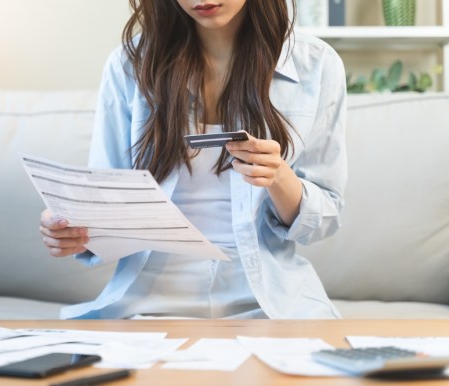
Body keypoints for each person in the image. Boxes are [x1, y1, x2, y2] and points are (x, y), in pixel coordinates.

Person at [39, 0, 347, 319]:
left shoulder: (318, 65)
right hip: (148, 305)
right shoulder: (128, 65)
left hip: (269, 305)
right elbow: (104, 201)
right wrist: (71, 227)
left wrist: (280, 177)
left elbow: (325, 219)